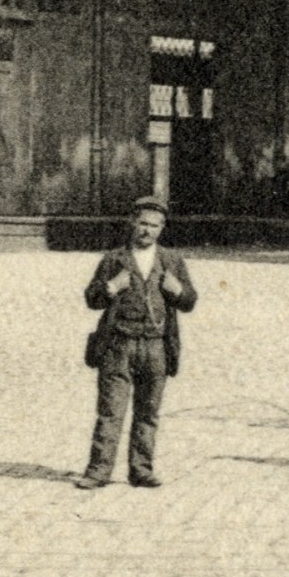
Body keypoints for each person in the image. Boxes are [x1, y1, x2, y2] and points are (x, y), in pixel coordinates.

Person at [79, 195, 200, 489]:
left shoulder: (171, 261)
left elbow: (190, 302)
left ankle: (141, 469)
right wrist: (111, 286)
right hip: (118, 344)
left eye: (154, 225)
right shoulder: (113, 259)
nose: (147, 230)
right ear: (133, 223)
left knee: (148, 413)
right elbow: (91, 299)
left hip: (156, 346)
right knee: (111, 412)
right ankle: (98, 471)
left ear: (162, 228)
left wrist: (177, 289)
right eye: (143, 223)